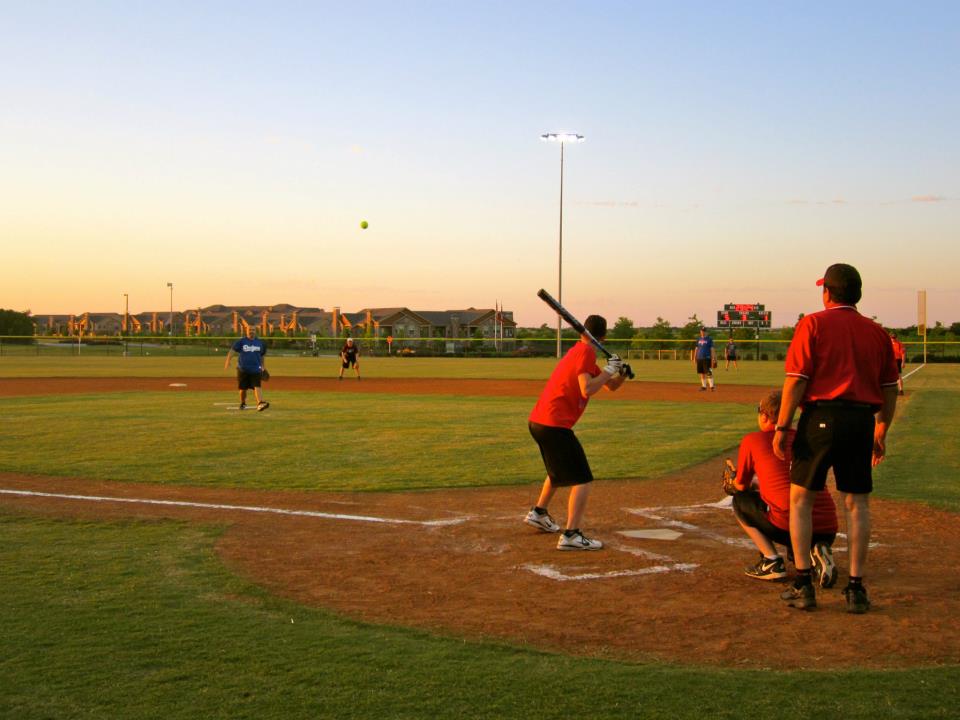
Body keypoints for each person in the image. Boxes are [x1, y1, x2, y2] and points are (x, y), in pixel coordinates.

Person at [773, 263, 899, 613]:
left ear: (827, 291)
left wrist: (782, 426)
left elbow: (797, 379)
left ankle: (803, 583)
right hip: (860, 420)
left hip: (821, 419)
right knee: (857, 504)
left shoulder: (812, 323)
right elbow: (889, 391)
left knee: (801, 500)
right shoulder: (877, 332)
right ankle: (856, 589)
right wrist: (881, 431)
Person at [524, 315, 628, 550]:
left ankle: (539, 512)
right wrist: (608, 370)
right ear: (604, 335)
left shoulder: (579, 351)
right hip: (554, 423)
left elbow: (608, 385)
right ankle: (572, 534)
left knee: (558, 471)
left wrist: (619, 373)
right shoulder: (585, 352)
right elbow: (587, 388)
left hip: (541, 421)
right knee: (582, 478)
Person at [730, 390, 838, 586]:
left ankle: (771, 561)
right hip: (828, 527)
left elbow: (740, 486)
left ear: (764, 415)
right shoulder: (804, 438)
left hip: (792, 525)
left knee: (740, 500)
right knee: (797, 550)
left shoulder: (753, 440)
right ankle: (816, 550)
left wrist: (732, 483)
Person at [224, 326, 269, 411]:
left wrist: (263, 366)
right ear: (246, 331)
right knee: (242, 389)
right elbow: (232, 351)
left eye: (253, 330)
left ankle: (260, 403)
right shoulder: (241, 341)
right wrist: (228, 360)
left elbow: (262, 356)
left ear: (255, 331)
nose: (251, 331)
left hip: (256, 369)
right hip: (243, 370)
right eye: (250, 330)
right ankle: (243, 402)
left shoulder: (260, 343)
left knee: (257, 386)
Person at [692, 326, 716, 391]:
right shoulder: (698, 339)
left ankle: (712, 387)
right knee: (702, 373)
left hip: (707, 358)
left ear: (706, 332)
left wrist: (713, 358)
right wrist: (694, 357)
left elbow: (712, 349)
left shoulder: (709, 339)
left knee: (709, 372)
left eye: (704, 331)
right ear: (700, 332)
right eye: (702, 331)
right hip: (699, 358)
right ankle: (704, 387)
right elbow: (696, 349)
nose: (702, 332)